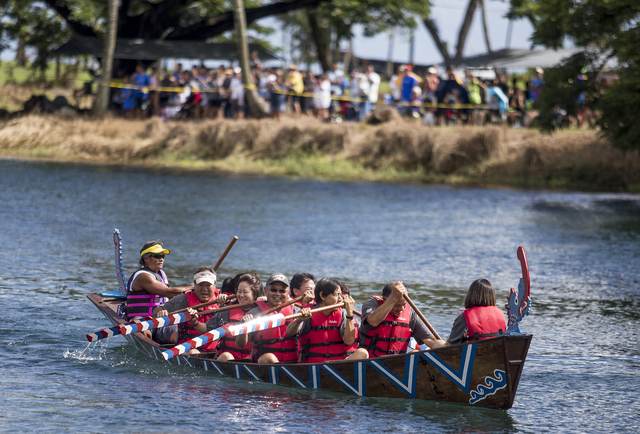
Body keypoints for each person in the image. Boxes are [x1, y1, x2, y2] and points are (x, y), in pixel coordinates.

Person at [235, 273, 313, 364]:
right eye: (273, 290)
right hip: (263, 363)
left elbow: (293, 332)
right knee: (269, 358)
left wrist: (300, 319)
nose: (277, 294)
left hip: (292, 364)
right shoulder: (255, 313)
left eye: (282, 291)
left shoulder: (296, 311)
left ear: (288, 293)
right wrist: (244, 328)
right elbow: (240, 344)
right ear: (265, 291)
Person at [287, 278, 369, 363]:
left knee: (362, 352)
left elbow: (349, 341)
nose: (340, 299)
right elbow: (290, 332)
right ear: (322, 296)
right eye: (337, 295)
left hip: (337, 366)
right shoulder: (308, 312)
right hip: (311, 365)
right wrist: (299, 320)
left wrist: (349, 314)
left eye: (340, 295)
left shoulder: (344, 314)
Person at [188, 273, 264, 361]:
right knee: (227, 356)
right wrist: (194, 322)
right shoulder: (226, 310)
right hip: (225, 359)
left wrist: (264, 304)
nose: (241, 295)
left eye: (245, 292)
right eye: (239, 291)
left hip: (250, 361)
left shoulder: (262, 310)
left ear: (255, 294)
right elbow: (207, 329)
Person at [360, 281, 445, 357]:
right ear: (385, 300)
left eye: (404, 304)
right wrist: (393, 298)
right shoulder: (372, 303)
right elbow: (373, 321)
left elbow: (430, 339)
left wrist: (447, 349)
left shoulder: (410, 312)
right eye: (397, 305)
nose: (401, 309)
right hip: (371, 362)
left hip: (398, 364)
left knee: (415, 353)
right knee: (361, 352)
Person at [125, 240, 190, 339]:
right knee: (144, 331)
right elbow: (168, 292)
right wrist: (196, 288)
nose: (161, 259)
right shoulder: (143, 276)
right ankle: (149, 345)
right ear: (145, 258)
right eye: (157, 256)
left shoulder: (162, 274)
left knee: (179, 334)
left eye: (162, 256)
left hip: (160, 319)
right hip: (140, 319)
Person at [153, 266, 225, 355]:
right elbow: (156, 312)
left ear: (215, 284)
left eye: (208, 285)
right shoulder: (183, 299)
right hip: (189, 349)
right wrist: (161, 312)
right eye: (201, 284)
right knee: (193, 352)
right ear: (194, 283)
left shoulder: (222, 299)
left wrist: (228, 302)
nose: (204, 289)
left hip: (215, 350)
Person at [433, 279, 506, 348]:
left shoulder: (465, 316)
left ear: (471, 295)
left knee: (437, 343)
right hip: (496, 352)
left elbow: (449, 345)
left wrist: (442, 342)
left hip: (475, 355)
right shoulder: (500, 314)